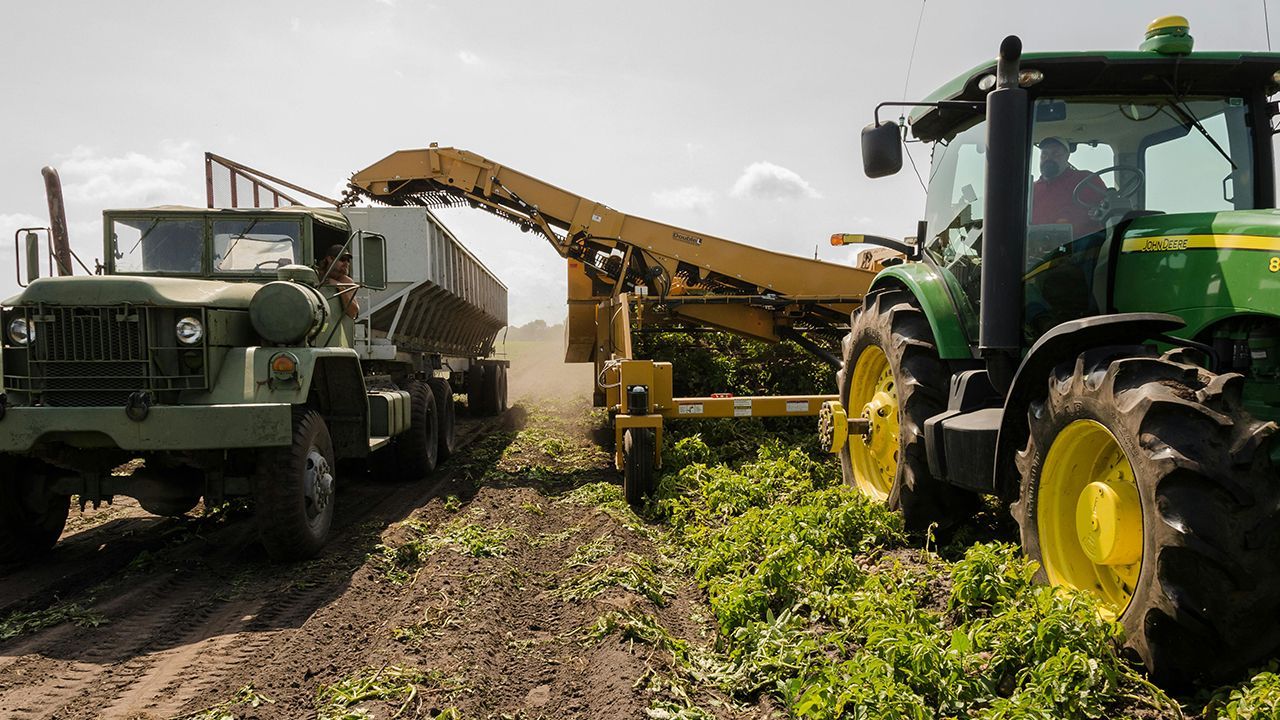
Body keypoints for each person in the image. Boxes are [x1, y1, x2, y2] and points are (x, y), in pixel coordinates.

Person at [1030, 136, 1107, 239]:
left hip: (1084, 248)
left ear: (1067, 156)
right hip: (1038, 250)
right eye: (1044, 154)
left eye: (1055, 153)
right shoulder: (1031, 190)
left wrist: (1099, 212)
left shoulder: (1087, 180)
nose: (1048, 158)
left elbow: (1107, 208)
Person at [318, 244, 360, 319]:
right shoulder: (316, 276)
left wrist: (340, 287)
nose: (346, 263)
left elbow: (353, 313)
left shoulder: (347, 282)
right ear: (329, 259)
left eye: (348, 260)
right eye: (342, 259)